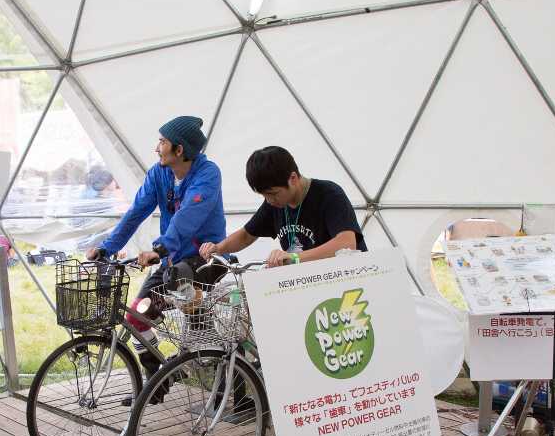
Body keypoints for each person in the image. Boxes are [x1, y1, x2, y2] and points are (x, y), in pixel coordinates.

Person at [86, 115, 226, 381]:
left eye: (162, 142)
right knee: (137, 316)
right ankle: (157, 382)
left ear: (179, 149)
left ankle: (230, 373)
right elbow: (136, 212)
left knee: (196, 320)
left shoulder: (207, 174)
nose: (157, 147)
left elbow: (187, 216)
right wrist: (107, 248)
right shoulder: (159, 173)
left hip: (206, 260)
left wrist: (160, 249)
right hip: (173, 263)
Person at [200, 145, 366, 267]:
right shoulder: (276, 204)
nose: (269, 200)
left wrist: (294, 258)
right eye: (264, 195)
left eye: (273, 193)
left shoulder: (329, 194)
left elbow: (346, 243)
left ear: (293, 178)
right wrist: (218, 248)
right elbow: (246, 235)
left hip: (346, 279)